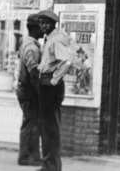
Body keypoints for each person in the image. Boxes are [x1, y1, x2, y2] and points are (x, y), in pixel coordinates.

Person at [36, 9, 73, 171]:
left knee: (50, 127)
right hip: (47, 83)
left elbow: (67, 62)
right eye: (41, 23)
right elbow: (51, 62)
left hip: (50, 86)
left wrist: (54, 79)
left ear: (53, 24)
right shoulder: (50, 38)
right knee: (47, 126)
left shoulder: (56, 39)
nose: (43, 26)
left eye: (46, 23)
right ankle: (49, 165)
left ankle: (51, 166)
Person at [15, 13, 42, 166]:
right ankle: (28, 157)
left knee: (29, 122)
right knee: (33, 123)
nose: (43, 30)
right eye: (41, 26)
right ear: (35, 28)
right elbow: (33, 73)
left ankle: (26, 155)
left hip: (25, 89)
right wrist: (39, 91)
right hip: (29, 90)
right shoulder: (31, 48)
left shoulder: (28, 44)